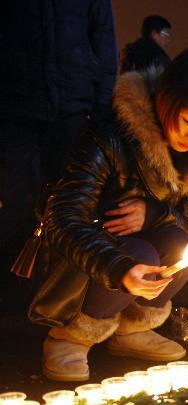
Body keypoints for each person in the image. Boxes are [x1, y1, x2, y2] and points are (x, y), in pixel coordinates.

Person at [30, 50, 188, 381]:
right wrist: (119, 268)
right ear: (166, 101)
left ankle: (131, 331)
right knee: (139, 253)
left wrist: (154, 213)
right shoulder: (111, 134)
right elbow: (63, 219)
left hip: (126, 250)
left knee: (179, 243)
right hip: (74, 261)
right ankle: (69, 337)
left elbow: (186, 221)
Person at [0, 0, 117, 311]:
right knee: (17, 201)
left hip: (72, 107)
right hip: (14, 108)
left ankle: (57, 299)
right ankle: (15, 296)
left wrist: (102, 104)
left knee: (69, 204)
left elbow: (104, 39)